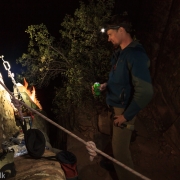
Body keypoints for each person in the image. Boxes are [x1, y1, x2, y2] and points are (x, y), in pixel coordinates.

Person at [93, 14, 154, 179]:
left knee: (121, 154)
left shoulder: (135, 55)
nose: (108, 39)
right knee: (116, 145)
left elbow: (146, 91)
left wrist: (126, 116)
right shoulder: (120, 54)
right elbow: (120, 80)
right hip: (116, 106)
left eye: (110, 34)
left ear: (121, 30)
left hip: (124, 109)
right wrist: (106, 86)